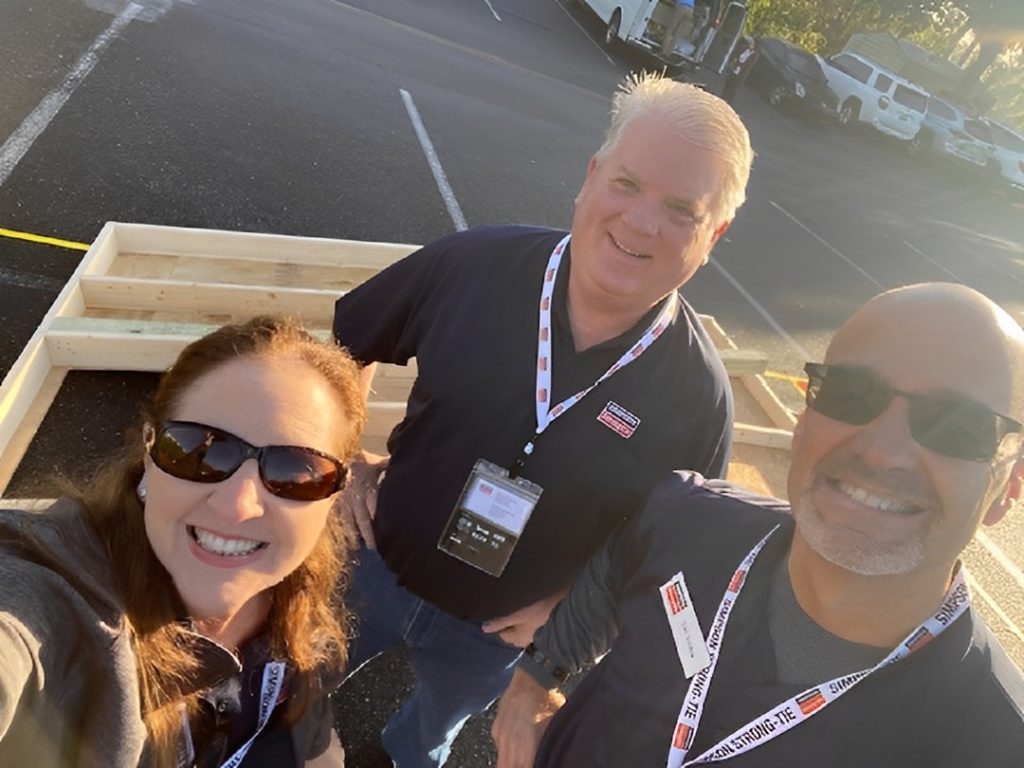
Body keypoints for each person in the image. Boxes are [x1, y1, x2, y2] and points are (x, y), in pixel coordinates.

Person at [332, 71, 754, 767]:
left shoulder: (698, 398)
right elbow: (345, 346)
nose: (642, 222)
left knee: (427, 737)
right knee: (291, 683)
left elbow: (674, 556)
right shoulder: (470, 266)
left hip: (495, 635)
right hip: (371, 558)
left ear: (715, 232)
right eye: (627, 184)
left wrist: (577, 618)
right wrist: (338, 456)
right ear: (591, 176)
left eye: (682, 209)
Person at [492, 282, 1024, 767]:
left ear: (1009, 488)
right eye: (852, 393)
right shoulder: (688, 516)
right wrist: (535, 680)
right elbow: (618, 563)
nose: (883, 452)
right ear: (803, 419)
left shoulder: (995, 741)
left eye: (960, 427)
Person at [0, 316, 367, 767]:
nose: (238, 505)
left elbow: (314, 740)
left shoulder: (299, 588)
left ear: (335, 495)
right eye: (200, 450)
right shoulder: (51, 594)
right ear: (150, 454)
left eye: (296, 473)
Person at [721, 37, 758, 104]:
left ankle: (728, 101)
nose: (750, 45)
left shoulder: (754, 54)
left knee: (733, 87)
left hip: (741, 72)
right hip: (736, 68)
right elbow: (740, 56)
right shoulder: (746, 49)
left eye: (751, 44)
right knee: (728, 82)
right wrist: (736, 63)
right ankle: (723, 97)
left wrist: (740, 65)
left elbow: (749, 65)